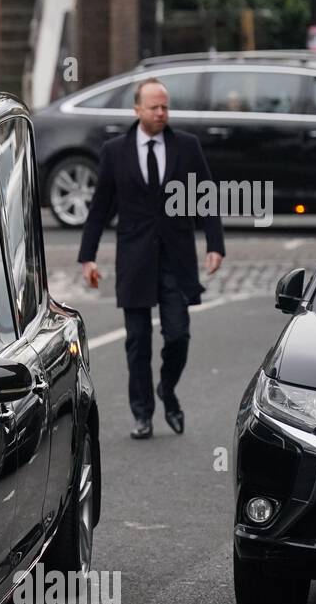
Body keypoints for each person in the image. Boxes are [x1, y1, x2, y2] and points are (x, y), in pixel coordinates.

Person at [77, 77, 225, 439]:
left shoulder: (187, 147)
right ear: (137, 109)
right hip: (135, 260)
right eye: (154, 107)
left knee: (178, 336)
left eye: (165, 107)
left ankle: (167, 389)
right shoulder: (115, 151)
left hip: (176, 259)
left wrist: (214, 244)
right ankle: (142, 414)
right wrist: (88, 257)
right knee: (137, 341)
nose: (161, 113)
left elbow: (205, 198)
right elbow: (99, 210)